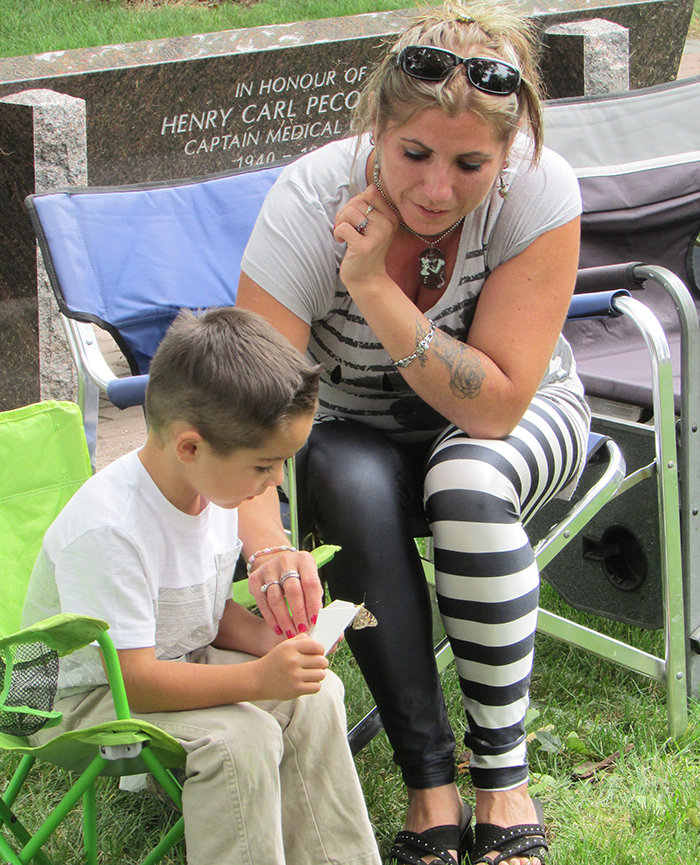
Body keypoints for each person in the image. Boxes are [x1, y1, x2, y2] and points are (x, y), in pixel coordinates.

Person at [236, 2, 589, 864]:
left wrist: (374, 289)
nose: (436, 189)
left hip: (520, 411)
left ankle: (503, 780)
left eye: (471, 163)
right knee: (351, 476)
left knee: (465, 479)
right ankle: (430, 783)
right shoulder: (307, 202)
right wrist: (266, 548)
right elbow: (249, 406)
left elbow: (497, 408)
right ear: (375, 133)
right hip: (353, 430)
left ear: (509, 156)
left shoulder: (539, 194)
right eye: (414, 155)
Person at [22, 307, 381, 865]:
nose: (277, 482)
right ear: (189, 446)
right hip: (75, 700)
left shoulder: (212, 493)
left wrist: (273, 645)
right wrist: (258, 677)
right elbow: (135, 683)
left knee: (316, 697)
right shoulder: (111, 529)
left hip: (170, 661)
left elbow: (201, 611)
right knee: (239, 740)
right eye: (265, 466)